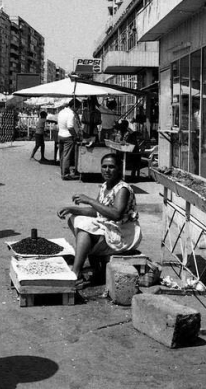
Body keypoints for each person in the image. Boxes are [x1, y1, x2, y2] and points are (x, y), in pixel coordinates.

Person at [57, 153, 141, 288]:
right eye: (104, 167)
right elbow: (97, 212)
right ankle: (92, 264)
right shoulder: (105, 186)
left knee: (85, 228)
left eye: (111, 167)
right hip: (109, 228)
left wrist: (89, 200)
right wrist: (72, 209)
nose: (107, 170)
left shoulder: (122, 189)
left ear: (119, 169)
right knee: (74, 219)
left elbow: (116, 214)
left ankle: (75, 273)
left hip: (122, 234)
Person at [57, 99, 81, 180]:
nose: (78, 109)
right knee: (66, 156)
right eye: (77, 107)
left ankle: (62, 172)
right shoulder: (71, 113)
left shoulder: (61, 111)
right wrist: (75, 136)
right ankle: (65, 174)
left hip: (60, 135)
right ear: (73, 106)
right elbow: (70, 127)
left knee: (62, 155)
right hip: (68, 136)